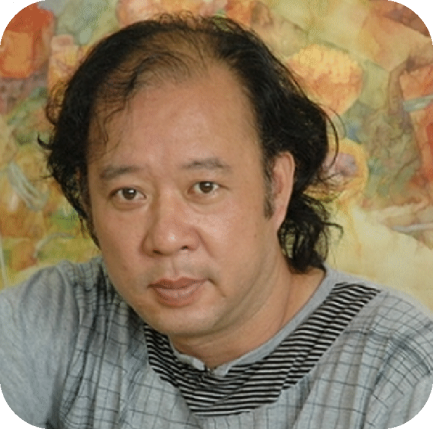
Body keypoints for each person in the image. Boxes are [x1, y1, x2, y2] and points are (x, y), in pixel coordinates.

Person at [0, 13, 432, 429]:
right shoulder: (62, 316)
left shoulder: (399, 370)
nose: (167, 238)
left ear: (276, 187)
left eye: (204, 187)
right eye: (129, 193)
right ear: (88, 200)